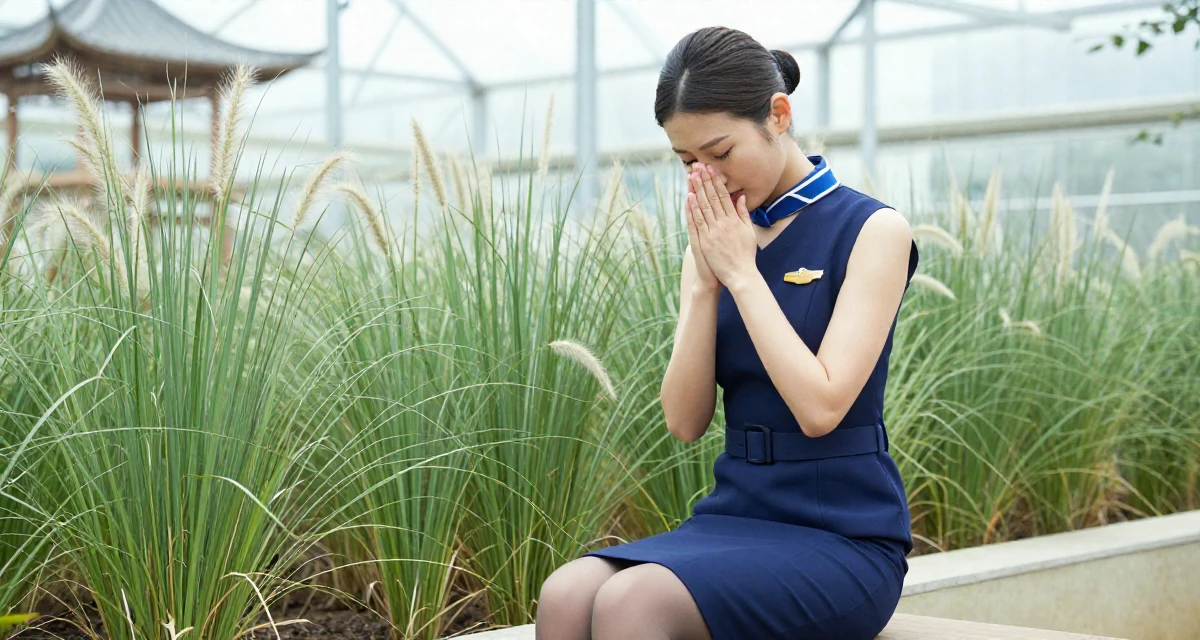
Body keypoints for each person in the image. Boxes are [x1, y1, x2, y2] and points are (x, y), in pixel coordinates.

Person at [536, 25, 919, 640]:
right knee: (566, 592)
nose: (709, 177)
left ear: (778, 114)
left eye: (720, 153)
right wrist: (702, 283)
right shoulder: (717, 242)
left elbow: (822, 408)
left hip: (842, 529)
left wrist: (742, 275)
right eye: (688, 163)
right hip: (736, 510)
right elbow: (686, 423)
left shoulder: (872, 229)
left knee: (632, 602)